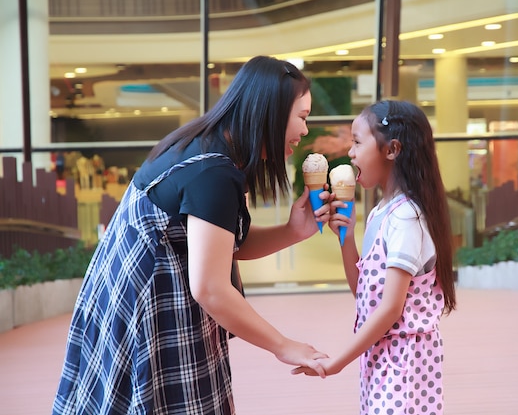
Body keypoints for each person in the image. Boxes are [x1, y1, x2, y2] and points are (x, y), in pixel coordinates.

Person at [52, 55, 331, 415]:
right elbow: (210, 287)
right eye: (303, 117)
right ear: (271, 111)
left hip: (130, 303)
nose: (305, 131)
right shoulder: (213, 171)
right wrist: (282, 345)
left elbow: (220, 247)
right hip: (152, 319)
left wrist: (294, 230)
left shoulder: (205, 144)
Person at [292, 100, 457, 415]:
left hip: (404, 360)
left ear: (391, 149)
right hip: (381, 356)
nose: (350, 152)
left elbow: (391, 309)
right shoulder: (382, 211)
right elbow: (364, 292)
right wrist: (346, 236)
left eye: (357, 142)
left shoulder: (406, 217)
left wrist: (336, 363)